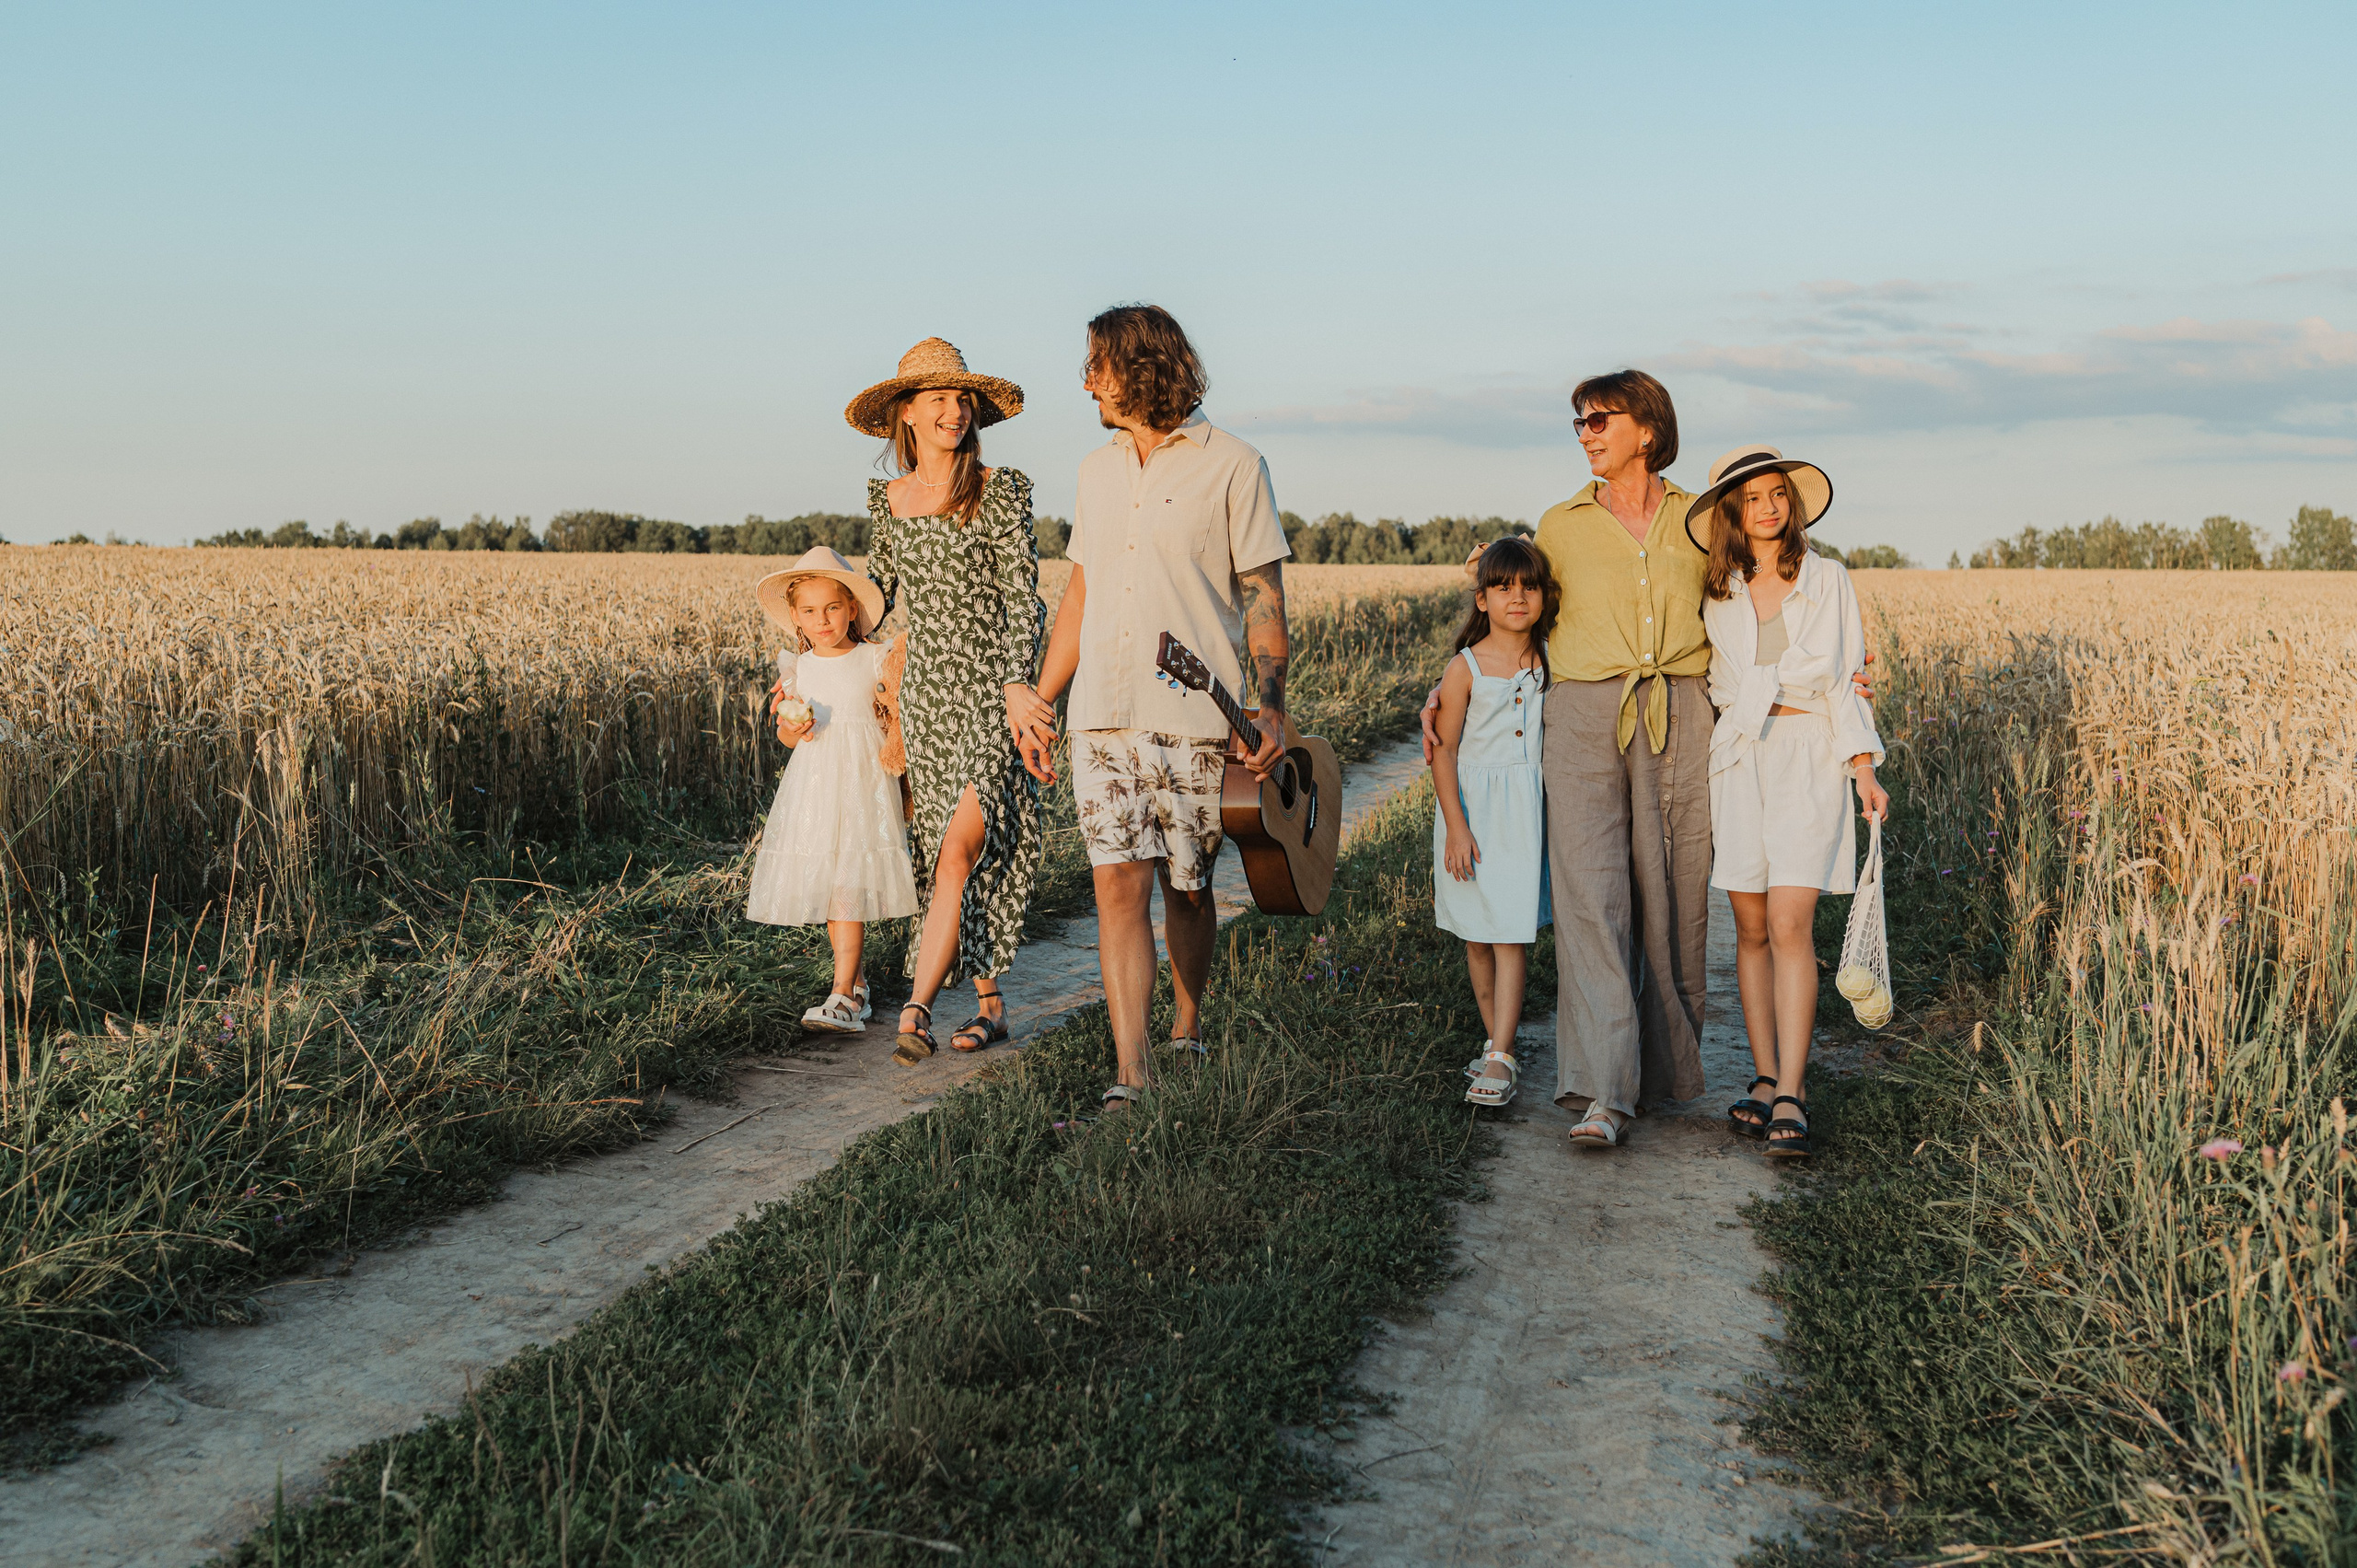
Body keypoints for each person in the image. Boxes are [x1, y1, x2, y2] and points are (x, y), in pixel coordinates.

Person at [1024, 304, 1290, 1114]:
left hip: (1195, 719)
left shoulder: (1235, 463)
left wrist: (1272, 705)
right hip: (1100, 712)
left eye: (1097, 366)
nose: (1086, 382)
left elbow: (1264, 594)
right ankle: (1131, 1070)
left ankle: (1187, 1023)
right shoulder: (1095, 470)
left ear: (1141, 366)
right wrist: (1041, 697)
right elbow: (1082, 587)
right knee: (1115, 888)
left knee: (1189, 887)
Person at [845, 339, 1047, 1064]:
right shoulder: (889, 501)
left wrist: (1021, 683)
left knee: (960, 852)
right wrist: (820, 653)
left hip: (992, 692)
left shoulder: (999, 489)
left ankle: (916, 1008)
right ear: (906, 412)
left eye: (962, 399)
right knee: (952, 858)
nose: (953, 410)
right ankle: (990, 1007)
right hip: (926, 698)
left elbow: (1025, 602)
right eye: (936, 398)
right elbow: (880, 601)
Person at [1692, 447, 1887, 1157]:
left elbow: (1844, 678)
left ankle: (1794, 1091)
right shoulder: (1718, 590)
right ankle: (1766, 1070)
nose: (1769, 507)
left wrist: (1863, 768)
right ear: (1732, 515)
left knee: (1788, 921)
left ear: (1793, 503)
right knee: (1748, 926)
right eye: (1753, 499)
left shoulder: (1828, 578)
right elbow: (1714, 681)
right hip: (1741, 759)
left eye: (1779, 494)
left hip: (1808, 756)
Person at [746, 551, 920, 1029]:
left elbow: (892, 707)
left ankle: (843, 993)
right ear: (796, 616)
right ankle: (856, 985)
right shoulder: (798, 666)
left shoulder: (873, 657)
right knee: (831, 882)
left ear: (851, 610)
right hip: (817, 781)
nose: (822, 621)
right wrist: (792, 728)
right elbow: (784, 731)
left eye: (832, 609)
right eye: (809, 611)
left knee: (848, 879)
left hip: (862, 779)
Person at [1430, 537, 1557, 1108]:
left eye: (1529, 587)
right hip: (1473, 813)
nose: (1517, 598)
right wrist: (1457, 827)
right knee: (1477, 934)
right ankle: (1494, 1042)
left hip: (1524, 812)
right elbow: (1445, 752)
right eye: (1503, 588)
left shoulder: (1553, 657)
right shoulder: (1466, 669)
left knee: (1509, 933)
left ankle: (1503, 1054)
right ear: (1481, 600)